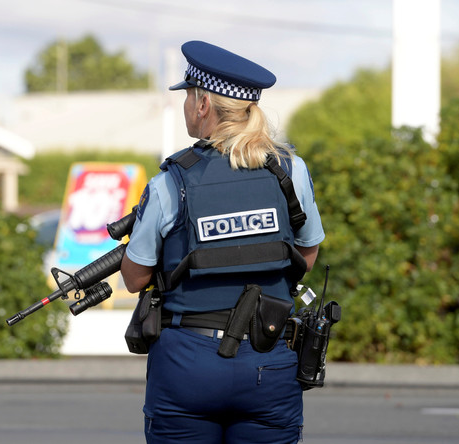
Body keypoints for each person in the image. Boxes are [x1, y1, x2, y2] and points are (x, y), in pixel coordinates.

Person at [121, 40, 325, 444]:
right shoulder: (290, 170)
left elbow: (133, 278)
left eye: (187, 97)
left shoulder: (171, 181)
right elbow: (307, 253)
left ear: (202, 106)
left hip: (187, 364)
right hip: (268, 361)